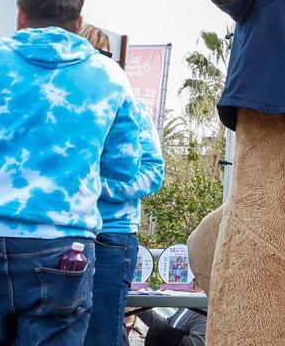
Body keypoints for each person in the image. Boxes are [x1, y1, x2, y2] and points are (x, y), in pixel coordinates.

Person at [0, 0, 145, 346]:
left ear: (21, 15)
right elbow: (126, 167)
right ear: (78, 23)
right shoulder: (109, 77)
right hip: (63, 245)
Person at [79, 27, 166, 346]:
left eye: (100, 56)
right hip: (64, 233)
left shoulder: (129, 107)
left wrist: (92, 186)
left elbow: (153, 172)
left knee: (102, 332)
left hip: (110, 234)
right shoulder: (63, 104)